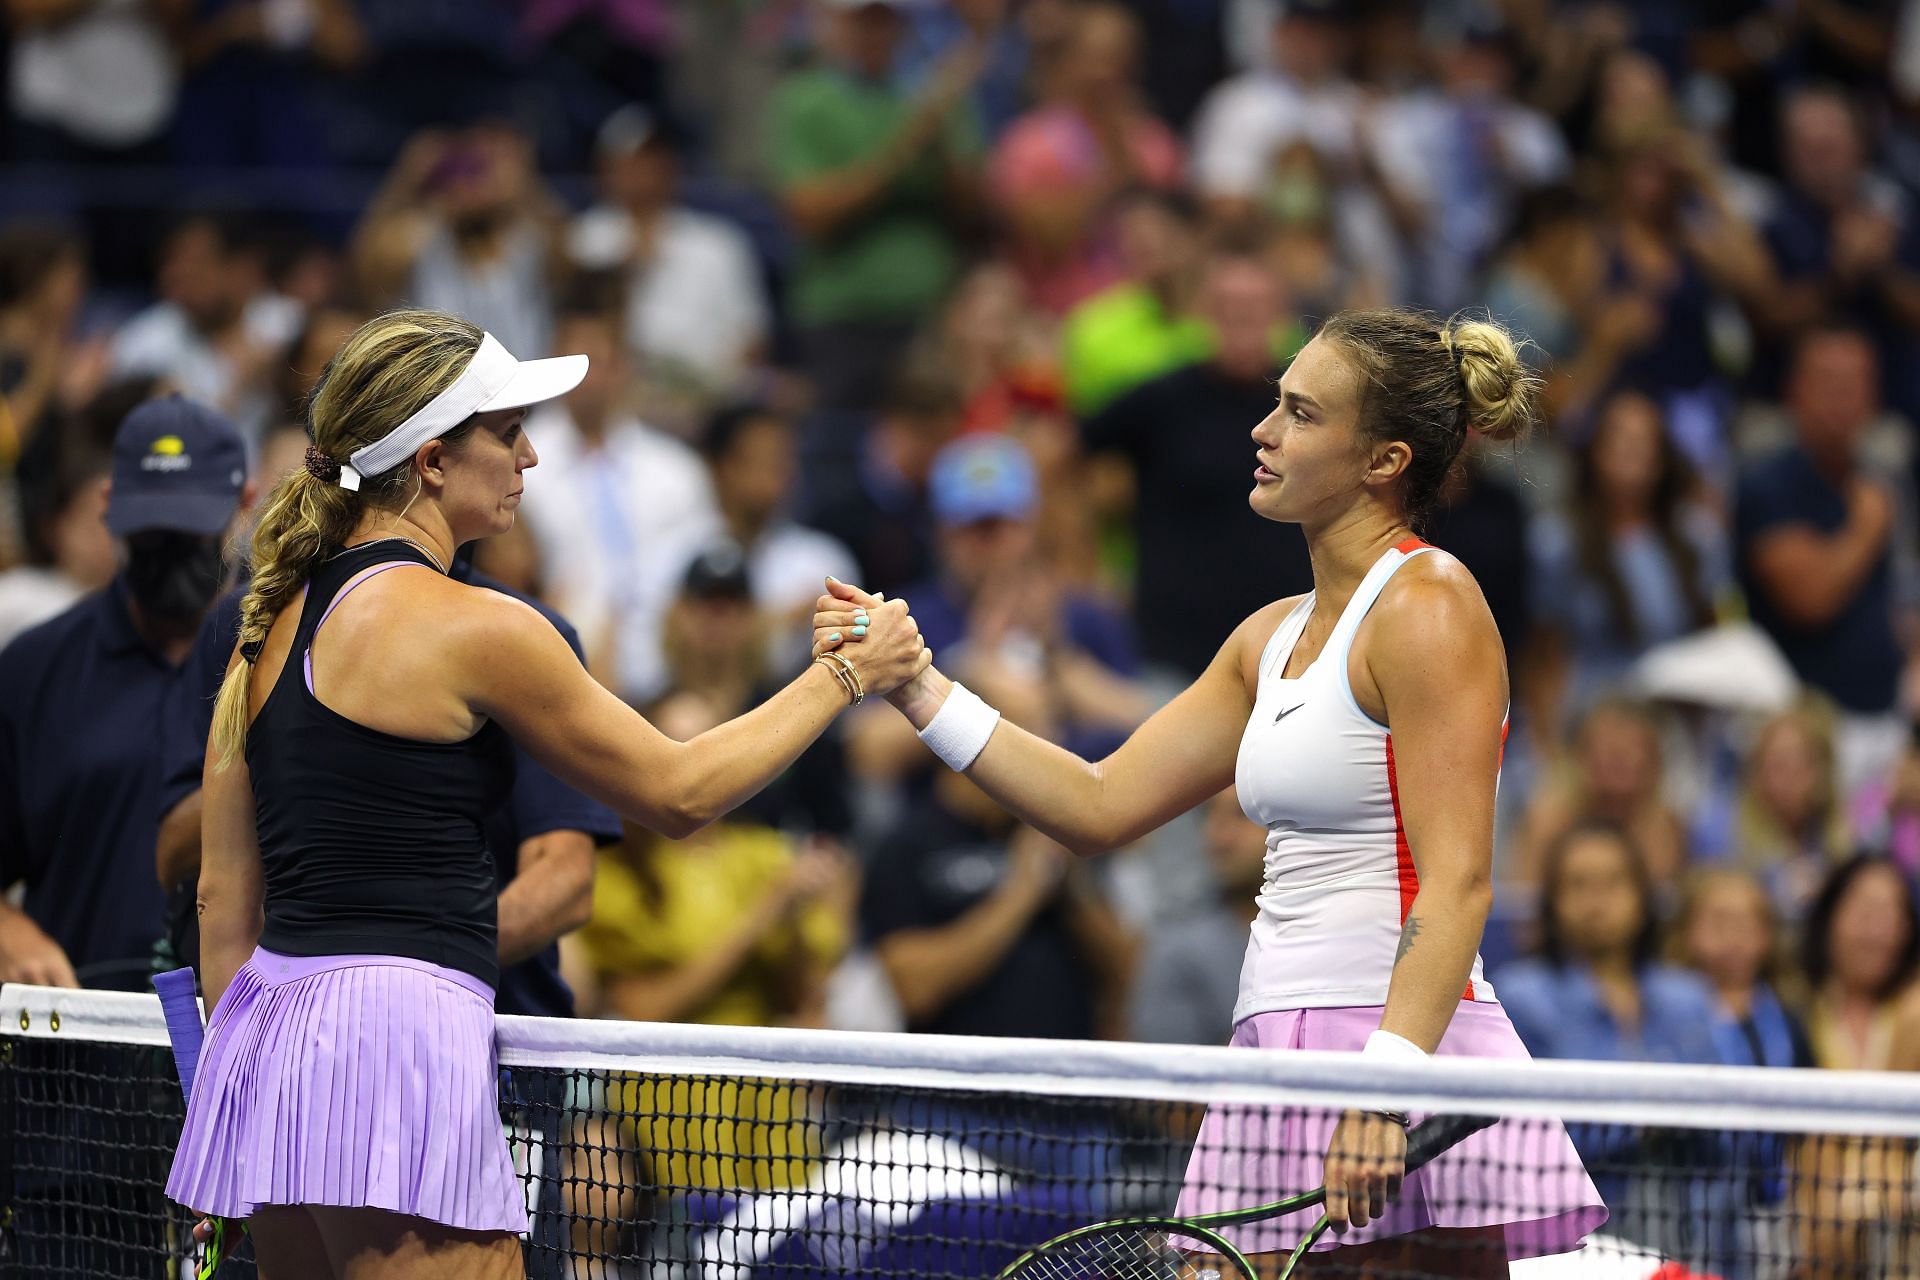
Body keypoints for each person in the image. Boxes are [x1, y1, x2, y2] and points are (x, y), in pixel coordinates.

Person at [820, 308, 1604, 1266]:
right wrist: (920, 686)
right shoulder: (1264, 638)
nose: (1262, 431)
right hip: (1273, 1045)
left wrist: (1385, 1088)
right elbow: (1097, 803)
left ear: (1382, 460)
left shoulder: (1430, 605)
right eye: (1276, 403)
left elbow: (1459, 883)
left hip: (1394, 1049)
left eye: (1302, 414)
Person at [167, 309, 929, 1277]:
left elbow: (221, 899)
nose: (531, 454)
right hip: (395, 1044)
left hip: (267, 1040)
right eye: (508, 431)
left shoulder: (264, 624)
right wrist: (846, 675)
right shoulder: (479, 625)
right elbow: (681, 790)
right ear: (434, 460)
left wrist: (233, 1098)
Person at [0, 395, 250, 1275]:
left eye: (192, 535)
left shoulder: (298, 664)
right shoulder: (33, 672)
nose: (172, 558)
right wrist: (11, 925)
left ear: (243, 506)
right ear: (107, 510)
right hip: (76, 1109)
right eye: (153, 537)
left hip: (251, 1106)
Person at [1083, 251, 1310, 677]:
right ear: (1205, 315)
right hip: (1172, 652)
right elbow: (1064, 451)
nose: (1243, 321)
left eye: (1255, 309)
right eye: (1230, 309)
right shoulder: (1162, 400)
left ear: (1281, 315)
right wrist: (1083, 565)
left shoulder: (1308, 406)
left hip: (1288, 648)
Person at [518, 302, 722, 702]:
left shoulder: (676, 471)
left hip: (669, 665)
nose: (589, 381)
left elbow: (705, 567)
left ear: (623, 369)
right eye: (575, 365)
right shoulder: (519, 464)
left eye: (599, 363)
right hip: (552, 661)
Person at [1736, 324, 1911, 788]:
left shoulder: (1873, 479)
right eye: (1829, 383)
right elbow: (1810, 599)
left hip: (1884, 721)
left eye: (1857, 384)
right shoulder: (1770, 485)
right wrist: (1867, 528)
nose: (1844, 398)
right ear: (1795, 392)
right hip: (1804, 735)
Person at [1525, 387, 1727, 731]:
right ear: (1595, 451)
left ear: (1662, 457)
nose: (1632, 449)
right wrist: (1549, 751)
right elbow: (1546, 654)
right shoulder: (1557, 540)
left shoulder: (1698, 537)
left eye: (1644, 439)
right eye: (1619, 437)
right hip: (1589, 724)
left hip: (1674, 725)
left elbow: (1714, 640)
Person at [565, 105, 771, 398]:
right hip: (616, 395)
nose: (642, 172)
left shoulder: (718, 242)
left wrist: (714, 395)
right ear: (606, 169)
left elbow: (751, 337)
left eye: (653, 159)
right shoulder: (584, 239)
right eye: (631, 161)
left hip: (704, 399)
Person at [1127, 789, 1267, 1046]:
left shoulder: (1321, 934)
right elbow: (1172, 1072)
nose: (1218, 836)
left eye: (1243, 816)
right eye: (1209, 815)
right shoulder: (1178, 948)